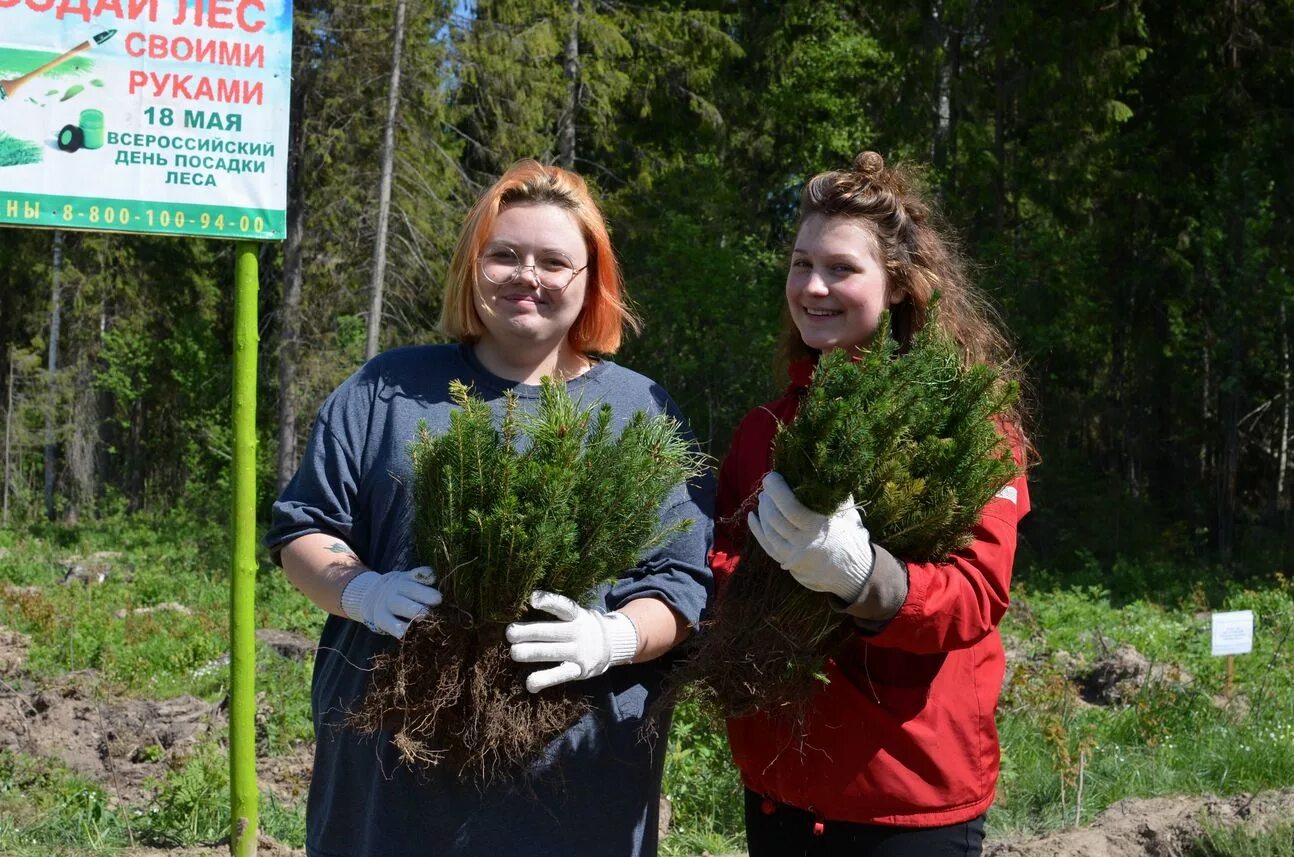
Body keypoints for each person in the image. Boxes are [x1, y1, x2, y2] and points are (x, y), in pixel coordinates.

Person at [267, 159, 713, 857]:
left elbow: (680, 582)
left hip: (575, 784)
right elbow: (305, 529)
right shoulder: (388, 389)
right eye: (503, 254)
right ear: (472, 268)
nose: (525, 275)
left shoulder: (639, 411)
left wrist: (614, 637)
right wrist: (360, 588)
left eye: (553, 260)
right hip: (393, 780)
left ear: (590, 279)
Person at [710, 150, 1032, 857]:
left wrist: (867, 578)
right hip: (779, 784)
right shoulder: (764, 431)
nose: (813, 286)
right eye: (801, 264)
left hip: (906, 795)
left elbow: (977, 594)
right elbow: (722, 562)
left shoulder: (971, 429)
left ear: (900, 286)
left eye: (842, 268)